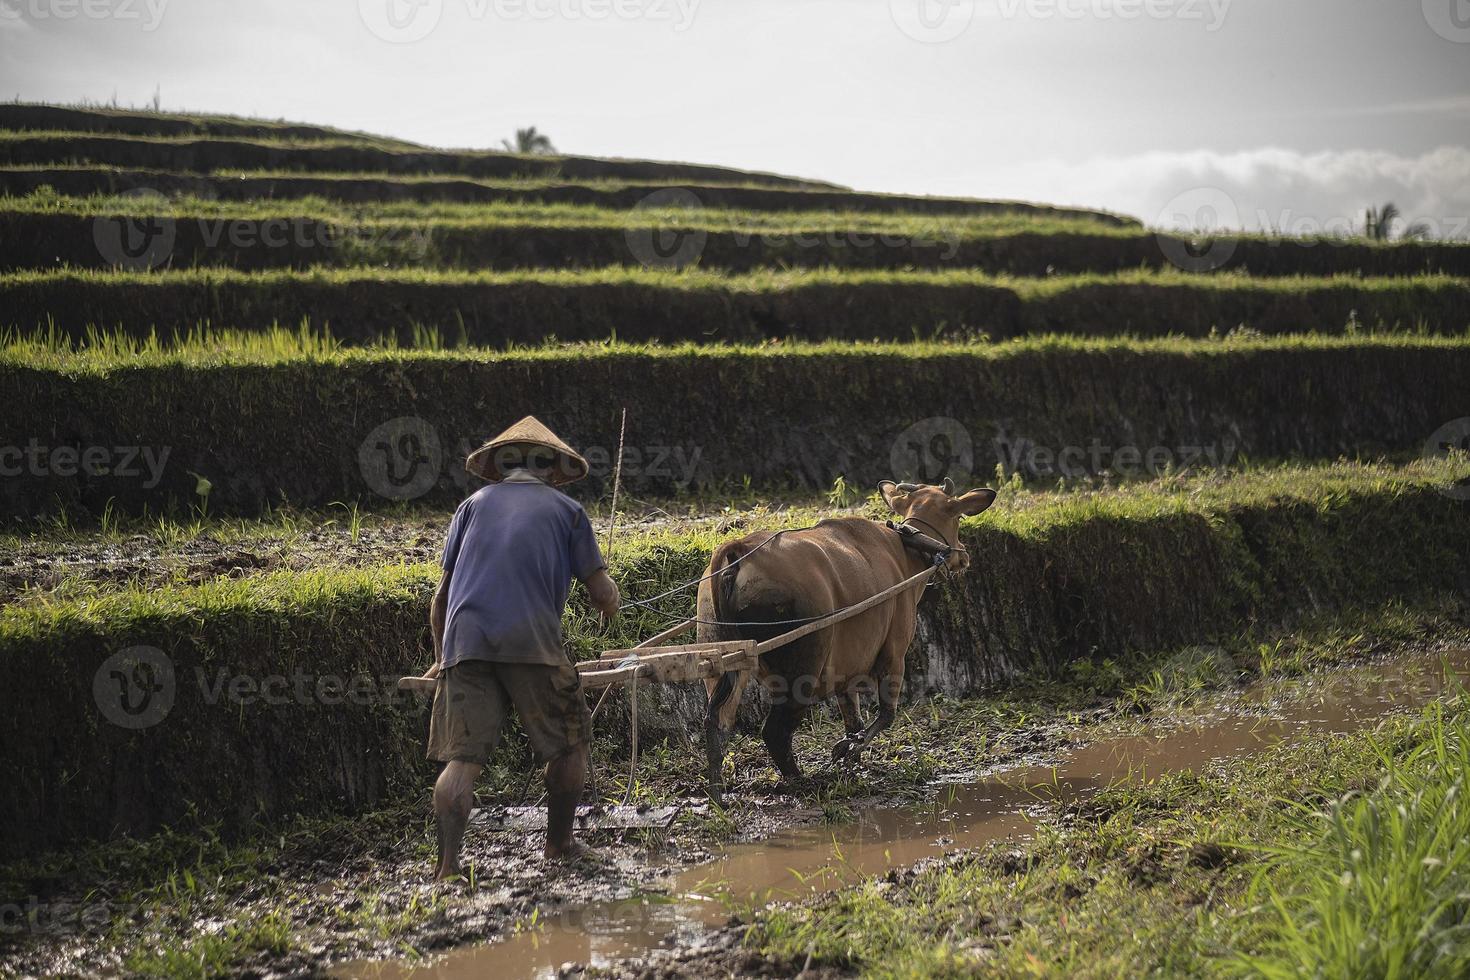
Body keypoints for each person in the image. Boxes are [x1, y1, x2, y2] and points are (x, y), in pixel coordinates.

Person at [427, 416, 620, 879]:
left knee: (463, 761)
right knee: (570, 745)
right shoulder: (568, 512)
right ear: (553, 469)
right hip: (532, 641)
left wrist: (441, 659)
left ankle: (447, 868)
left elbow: (440, 599)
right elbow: (601, 592)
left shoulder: (469, 507)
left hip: (465, 641)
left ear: (501, 467)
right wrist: (610, 603)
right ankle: (559, 845)